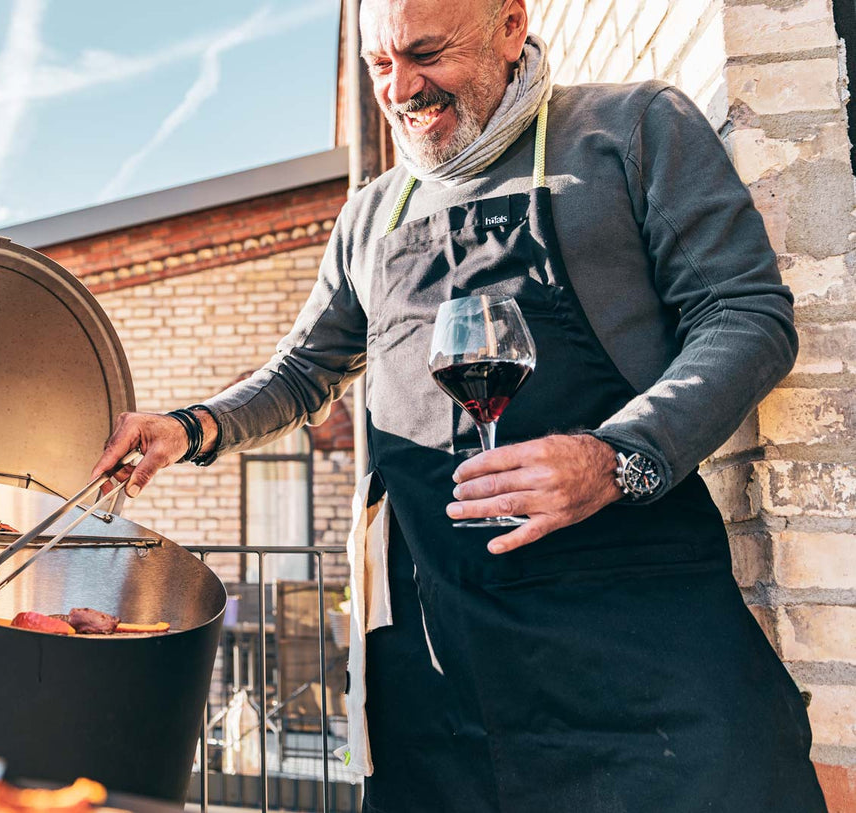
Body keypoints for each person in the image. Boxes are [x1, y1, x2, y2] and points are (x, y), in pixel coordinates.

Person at [92, 0, 829, 810]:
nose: (401, 87)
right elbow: (306, 370)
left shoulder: (631, 131)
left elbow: (746, 317)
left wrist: (616, 456)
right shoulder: (371, 214)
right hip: (437, 662)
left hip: (633, 641)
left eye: (426, 54)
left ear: (510, 28)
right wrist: (191, 426)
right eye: (379, 65)